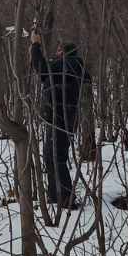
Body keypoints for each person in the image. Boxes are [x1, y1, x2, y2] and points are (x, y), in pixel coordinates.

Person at [30, 31, 89, 207]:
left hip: (60, 118)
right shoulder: (68, 66)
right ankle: (56, 196)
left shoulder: (68, 64)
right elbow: (44, 72)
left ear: (64, 52)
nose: (56, 54)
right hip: (61, 118)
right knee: (51, 156)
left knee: (57, 157)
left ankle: (65, 198)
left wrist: (35, 45)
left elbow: (42, 68)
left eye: (58, 51)